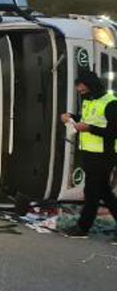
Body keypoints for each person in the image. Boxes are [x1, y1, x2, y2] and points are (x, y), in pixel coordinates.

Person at [60, 70, 117, 243]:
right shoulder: (89, 101)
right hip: (90, 154)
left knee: (92, 192)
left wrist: (89, 128)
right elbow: (88, 119)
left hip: (104, 155)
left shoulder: (111, 103)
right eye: (79, 92)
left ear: (92, 86)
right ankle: (82, 227)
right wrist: (72, 117)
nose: (81, 94)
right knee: (105, 192)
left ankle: (82, 227)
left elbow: (112, 131)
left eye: (83, 91)